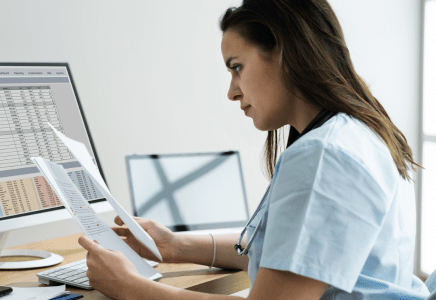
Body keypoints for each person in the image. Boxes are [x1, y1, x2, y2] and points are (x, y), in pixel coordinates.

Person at [77, 0, 431, 299]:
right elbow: (295, 257)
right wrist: (174, 246)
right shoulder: (357, 132)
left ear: (285, 53)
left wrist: (129, 286)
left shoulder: (325, 155)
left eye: (237, 68)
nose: (232, 91)